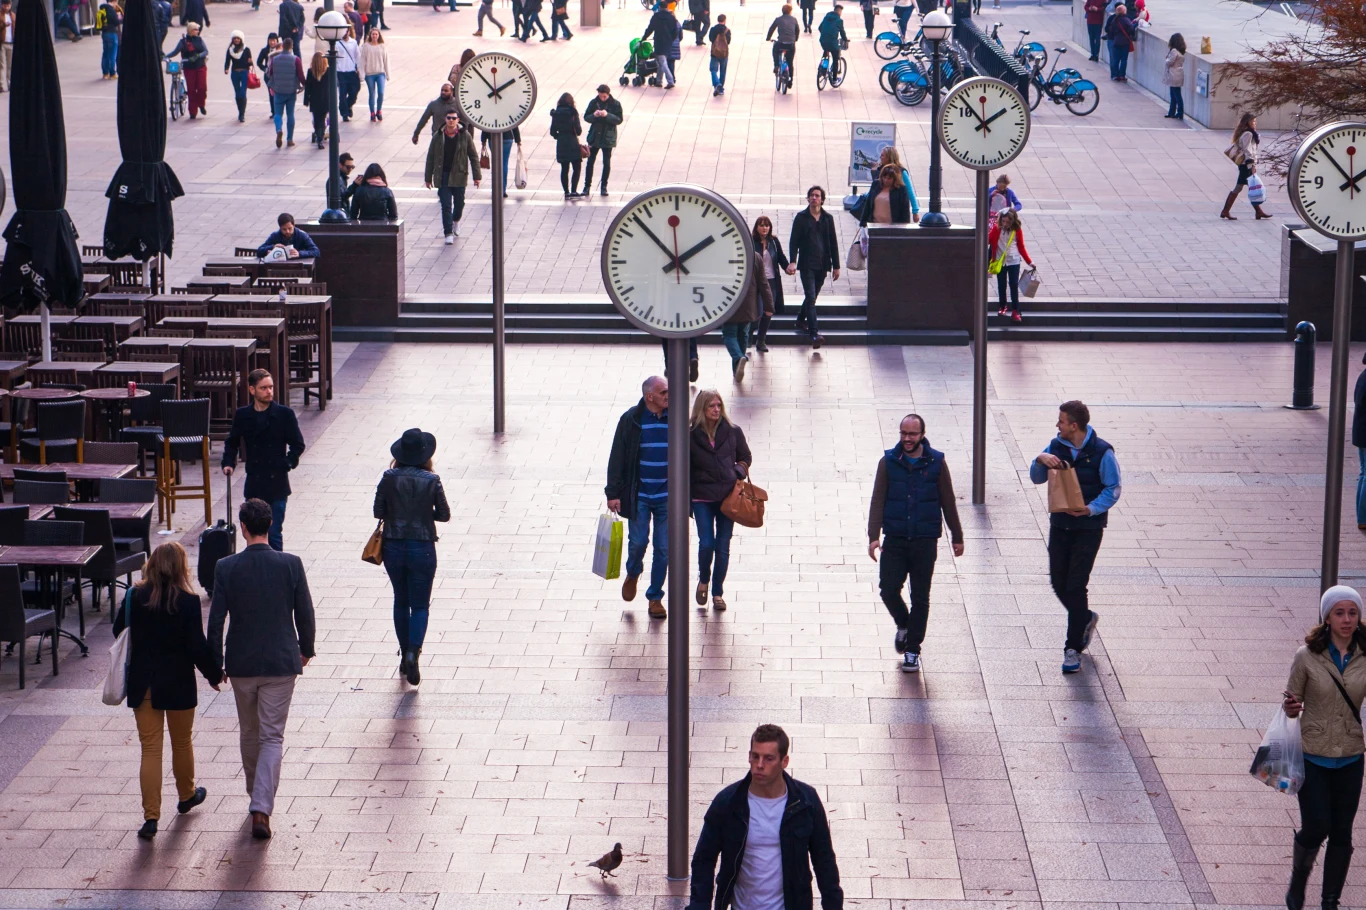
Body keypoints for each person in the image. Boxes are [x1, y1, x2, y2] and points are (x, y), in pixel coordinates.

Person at [207, 498, 316, 842]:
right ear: (270, 526)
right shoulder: (291, 564)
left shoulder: (226, 567)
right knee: (272, 736)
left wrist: (215, 665)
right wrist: (306, 650)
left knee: (249, 731)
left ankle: (256, 794)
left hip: (241, 662)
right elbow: (305, 612)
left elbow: (215, 621)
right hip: (281, 661)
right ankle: (261, 806)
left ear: (242, 527)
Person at [113, 542, 223, 841]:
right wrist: (214, 674)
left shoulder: (135, 596)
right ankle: (186, 794)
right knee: (182, 742)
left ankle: (151, 817)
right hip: (177, 683)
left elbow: (116, 630)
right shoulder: (187, 601)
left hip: (143, 682)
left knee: (150, 749)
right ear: (180, 567)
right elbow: (196, 646)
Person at [686, 724, 843, 910]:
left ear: (784, 761)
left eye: (769, 758)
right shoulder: (728, 803)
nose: (760, 765)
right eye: (755, 756)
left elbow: (824, 860)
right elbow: (704, 859)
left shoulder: (806, 803)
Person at [1282, 586, 1366, 910]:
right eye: (1340, 613)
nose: (1347, 619)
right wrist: (1292, 707)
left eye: (1352, 613)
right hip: (1313, 754)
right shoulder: (1306, 655)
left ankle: (1330, 900)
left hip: (1350, 754)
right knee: (1317, 826)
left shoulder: (1364, 655)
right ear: (1327, 617)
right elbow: (1292, 697)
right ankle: (1298, 880)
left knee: (1342, 831)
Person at [1028, 400, 1120, 675]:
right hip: (1060, 524)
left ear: (1074, 425)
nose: (1057, 425)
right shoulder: (1055, 446)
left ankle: (1072, 649)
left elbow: (1113, 488)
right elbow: (1036, 478)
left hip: (1088, 528)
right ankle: (1084, 618)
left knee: (1076, 584)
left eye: (1061, 421)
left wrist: (1090, 509)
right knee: (1058, 581)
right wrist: (1039, 460)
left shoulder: (1102, 452)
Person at [867, 414, 963, 672]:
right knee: (888, 589)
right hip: (896, 538)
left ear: (922, 434)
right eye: (903, 434)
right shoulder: (888, 462)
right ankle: (904, 624)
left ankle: (912, 650)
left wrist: (957, 535)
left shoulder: (937, 462)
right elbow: (878, 499)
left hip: (924, 540)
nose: (907, 439)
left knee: (920, 597)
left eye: (912, 434)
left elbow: (948, 500)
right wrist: (873, 536)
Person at [374, 428, 450, 687]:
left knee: (400, 600)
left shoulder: (388, 477)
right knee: (420, 605)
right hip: (423, 547)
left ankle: (403, 651)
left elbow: (378, 510)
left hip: (393, 546)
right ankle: (413, 653)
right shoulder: (432, 480)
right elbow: (444, 514)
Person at [605, 376, 670, 620]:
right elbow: (617, 457)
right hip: (640, 495)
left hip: (667, 496)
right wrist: (613, 493)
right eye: (663, 392)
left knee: (664, 549)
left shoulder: (676, 418)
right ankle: (633, 571)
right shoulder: (631, 419)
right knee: (638, 542)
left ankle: (655, 597)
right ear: (649, 396)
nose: (668, 396)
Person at [221, 369, 305, 553]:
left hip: (277, 483)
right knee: (253, 534)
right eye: (264, 388)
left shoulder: (284, 414)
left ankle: (276, 574)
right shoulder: (243, 415)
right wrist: (228, 463)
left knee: (274, 533)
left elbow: (298, 445)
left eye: (271, 387)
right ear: (252, 390)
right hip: (255, 482)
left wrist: (287, 464)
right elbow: (232, 442)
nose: (269, 392)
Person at [689, 390, 751, 611]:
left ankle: (717, 592)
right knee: (707, 543)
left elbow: (746, 456)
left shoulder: (733, 431)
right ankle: (703, 578)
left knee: (723, 546)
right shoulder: (691, 435)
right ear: (701, 409)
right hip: (702, 497)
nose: (716, 410)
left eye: (718, 405)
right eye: (711, 406)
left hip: (728, 498)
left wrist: (737, 471)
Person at [786, 186, 839, 349]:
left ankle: (800, 320)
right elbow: (793, 240)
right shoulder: (801, 218)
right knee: (810, 296)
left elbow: (833, 242)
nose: (814, 198)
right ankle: (814, 333)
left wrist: (836, 266)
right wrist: (793, 261)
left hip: (823, 264)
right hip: (807, 263)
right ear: (808, 199)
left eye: (817, 196)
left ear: (822, 199)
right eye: (812, 196)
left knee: (813, 296)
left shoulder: (827, 218)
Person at [425, 112, 481, 243]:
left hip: (459, 175)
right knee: (445, 205)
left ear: (458, 120)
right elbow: (430, 157)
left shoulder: (465, 136)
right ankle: (448, 232)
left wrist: (476, 176)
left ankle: (456, 220)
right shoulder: (438, 136)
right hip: (443, 175)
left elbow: (473, 156)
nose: (451, 120)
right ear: (445, 119)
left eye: (453, 118)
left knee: (459, 204)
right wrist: (428, 177)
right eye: (449, 118)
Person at [723, 243, 773, 380]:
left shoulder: (724, 253)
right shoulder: (755, 256)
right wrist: (769, 305)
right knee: (743, 335)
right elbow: (763, 283)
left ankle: (739, 358)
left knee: (729, 334)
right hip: (748, 303)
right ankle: (737, 371)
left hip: (728, 301)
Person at [988, 209, 1034, 322]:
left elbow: (1021, 247)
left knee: (1013, 284)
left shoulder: (1017, 230)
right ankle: (1003, 306)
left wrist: (1029, 262)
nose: (1005, 224)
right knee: (1001, 284)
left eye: (1007, 222)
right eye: (1003, 221)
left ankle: (1015, 310)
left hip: (1014, 260)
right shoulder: (996, 229)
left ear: (1012, 221)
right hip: (1000, 261)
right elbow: (987, 240)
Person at [1222, 112, 1271, 220]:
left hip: (1246, 165)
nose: (1255, 123)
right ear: (1248, 122)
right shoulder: (1248, 134)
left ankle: (1258, 212)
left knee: (1249, 187)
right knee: (1241, 187)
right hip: (1246, 165)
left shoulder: (1250, 133)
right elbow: (1248, 150)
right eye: (1253, 121)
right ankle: (1226, 211)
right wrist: (1252, 165)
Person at [752, 216, 788, 353]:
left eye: (767, 225)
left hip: (772, 280)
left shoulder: (773, 241)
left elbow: (780, 257)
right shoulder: (751, 241)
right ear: (756, 227)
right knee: (757, 312)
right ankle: (748, 334)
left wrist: (787, 267)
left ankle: (761, 340)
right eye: (761, 225)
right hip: (756, 281)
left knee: (768, 310)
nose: (764, 228)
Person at [582, 85, 623, 197]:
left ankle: (604, 186)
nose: (602, 98)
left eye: (604, 96)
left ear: (608, 94)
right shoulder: (594, 102)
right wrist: (594, 115)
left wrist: (607, 115)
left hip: (607, 137)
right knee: (590, 162)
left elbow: (619, 120)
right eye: (600, 96)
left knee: (606, 162)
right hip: (594, 137)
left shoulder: (615, 104)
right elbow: (586, 117)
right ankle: (587, 186)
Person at [265, 37, 305, 148]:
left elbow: (270, 73)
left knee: (278, 114)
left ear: (282, 46)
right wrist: (304, 85)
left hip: (278, 90)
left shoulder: (275, 59)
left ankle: (278, 130)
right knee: (290, 114)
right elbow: (300, 75)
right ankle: (290, 139)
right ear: (291, 47)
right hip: (291, 91)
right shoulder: (296, 59)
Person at [165, 23, 209, 119]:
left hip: (200, 66)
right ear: (191, 30)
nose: (197, 31)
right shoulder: (183, 42)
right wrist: (165, 56)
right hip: (189, 67)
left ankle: (201, 104)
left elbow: (206, 51)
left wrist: (198, 56)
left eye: (198, 30)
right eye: (196, 30)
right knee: (191, 90)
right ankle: (192, 111)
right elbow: (175, 51)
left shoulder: (200, 40)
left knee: (202, 88)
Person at [550, 93, 583, 199]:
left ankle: (566, 192)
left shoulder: (556, 113)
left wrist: (558, 136)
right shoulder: (573, 113)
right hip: (572, 141)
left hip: (561, 143)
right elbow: (578, 130)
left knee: (564, 169)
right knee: (576, 167)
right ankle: (574, 190)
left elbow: (552, 131)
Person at [877, 147, 920, 222]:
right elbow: (875, 189)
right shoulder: (880, 170)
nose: (880, 157)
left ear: (889, 157)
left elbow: (910, 191)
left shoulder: (901, 172)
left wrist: (915, 211)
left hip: (897, 210)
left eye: (882, 155)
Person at [642, 2, 678, 88]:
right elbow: (675, 31)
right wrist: (671, 39)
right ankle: (659, 80)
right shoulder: (671, 17)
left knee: (662, 61)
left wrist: (644, 37)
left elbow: (650, 28)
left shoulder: (656, 17)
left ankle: (670, 81)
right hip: (668, 42)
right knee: (660, 61)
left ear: (660, 7)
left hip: (658, 41)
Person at [481, 126, 522, 198]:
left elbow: (486, 124)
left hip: (493, 137)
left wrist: (483, 139)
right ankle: (503, 190)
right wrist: (518, 140)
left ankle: (496, 189)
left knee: (496, 163)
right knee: (504, 163)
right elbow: (514, 124)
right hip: (507, 137)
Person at [257, 213, 321, 259]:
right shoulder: (275, 236)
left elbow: (316, 251)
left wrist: (299, 253)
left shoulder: (302, 235)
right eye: (284, 229)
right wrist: (272, 247)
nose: (287, 231)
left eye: (290, 228)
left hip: (298, 266)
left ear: (294, 225)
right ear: (280, 228)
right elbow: (259, 251)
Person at [359, 27, 388, 122]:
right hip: (369, 74)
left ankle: (379, 110)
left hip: (380, 73)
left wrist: (388, 74)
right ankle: (372, 113)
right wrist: (362, 74)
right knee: (372, 93)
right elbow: (362, 61)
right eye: (373, 34)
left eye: (376, 34)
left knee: (381, 92)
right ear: (370, 35)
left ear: (379, 35)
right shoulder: (366, 47)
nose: (374, 36)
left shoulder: (382, 46)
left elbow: (386, 60)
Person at [224, 31, 254, 123]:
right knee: (237, 94)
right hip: (235, 73)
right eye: (235, 38)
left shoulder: (246, 49)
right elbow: (227, 61)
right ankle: (240, 111)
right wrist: (226, 68)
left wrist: (250, 62)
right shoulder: (230, 50)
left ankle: (242, 114)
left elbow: (250, 62)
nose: (236, 40)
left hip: (244, 72)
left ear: (241, 39)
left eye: (238, 38)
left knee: (242, 93)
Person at [303, 51, 330, 148]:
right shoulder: (328, 71)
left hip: (314, 100)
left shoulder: (311, 72)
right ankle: (320, 138)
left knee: (317, 119)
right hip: (326, 100)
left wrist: (306, 100)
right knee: (322, 119)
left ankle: (318, 135)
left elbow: (308, 88)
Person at [1103, 4, 1134, 81]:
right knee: (1124, 60)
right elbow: (1131, 29)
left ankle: (1115, 75)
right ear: (1124, 11)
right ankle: (1122, 75)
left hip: (1116, 42)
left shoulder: (1114, 20)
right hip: (1125, 42)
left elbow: (1110, 31)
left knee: (1115, 59)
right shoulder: (1126, 20)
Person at [766, 4, 799, 76]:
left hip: (781, 42)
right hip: (791, 44)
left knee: (775, 50)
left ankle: (776, 65)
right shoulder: (794, 19)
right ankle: (790, 80)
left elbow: (771, 29)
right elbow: (797, 30)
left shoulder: (778, 19)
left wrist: (768, 38)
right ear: (790, 11)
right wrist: (795, 39)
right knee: (790, 62)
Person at [335, 26, 361, 121]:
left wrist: (358, 68)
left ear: (349, 32)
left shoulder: (353, 42)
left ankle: (348, 105)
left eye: (347, 31)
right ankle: (344, 113)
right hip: (341, 71)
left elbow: (357, 56)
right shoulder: (337, 43)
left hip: (351, 71)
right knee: (342, 93)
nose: (345, 34)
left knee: (354, 91)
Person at [817, 5, 847, 77]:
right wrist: (845, 39)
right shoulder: (839, 21)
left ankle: (822, 67)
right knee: (835, 59)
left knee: (826, 50)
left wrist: (825, 34)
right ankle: (834, 78)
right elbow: (842, 32)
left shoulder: (826, 17)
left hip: (823, 41)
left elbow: (820, 28)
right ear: (839, 12)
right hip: (832, 43)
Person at [1162, 32, 1185, 119]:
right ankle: (1172, 112)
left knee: (1175, 94)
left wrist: (1166, 59)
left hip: (1173, 74)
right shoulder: (1181, 51)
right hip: (1178, 74)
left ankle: (1178, 112)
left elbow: (1169, 62)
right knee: (1175, 94)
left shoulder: (1174, 51)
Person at [257, 33, 281, 119]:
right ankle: (274, 112)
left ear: (277, 41)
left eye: (274, 40)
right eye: (271, 40)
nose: (272, 42)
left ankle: (278, 111)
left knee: (278, 94)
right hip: (268, 76)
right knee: (271, 94)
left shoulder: (280, 50)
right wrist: (265, 69)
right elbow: (258, 62)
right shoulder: (264, 50)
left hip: (278, 76)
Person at [98, 0, 122, 80]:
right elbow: (116, 22)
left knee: (105, 53)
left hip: (104, 33)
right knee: (113, 54)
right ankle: (112, 73)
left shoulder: (102, 8)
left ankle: (105, 73)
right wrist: (119, 17)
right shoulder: (111, 10)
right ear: (114, 1)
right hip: (112, 33)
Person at [708, 14, 731, 96]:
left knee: (713, 69)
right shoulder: (727, 30)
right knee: (723, 70)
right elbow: (728, 41)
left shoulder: (713, 29)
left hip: (715, 52)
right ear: (724, 20)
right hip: (724, 53)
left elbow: (711, 39)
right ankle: (721, 89)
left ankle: (717, 83)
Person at [1356, 355, 1366, 531]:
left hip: (1361, 433)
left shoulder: (1363, 376)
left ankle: (1362, 517)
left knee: (1364, 473)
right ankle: (1363, 517)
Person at [0, 0, 12, 91]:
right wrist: (3, 25)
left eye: (8, 5)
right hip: (2, 43)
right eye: (5, 5)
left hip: (11, 42)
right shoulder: (0, 15)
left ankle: (10, 83)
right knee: (2, 65)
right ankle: (2, 85)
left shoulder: (13, 16)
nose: (6, 7)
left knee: (10, 65)